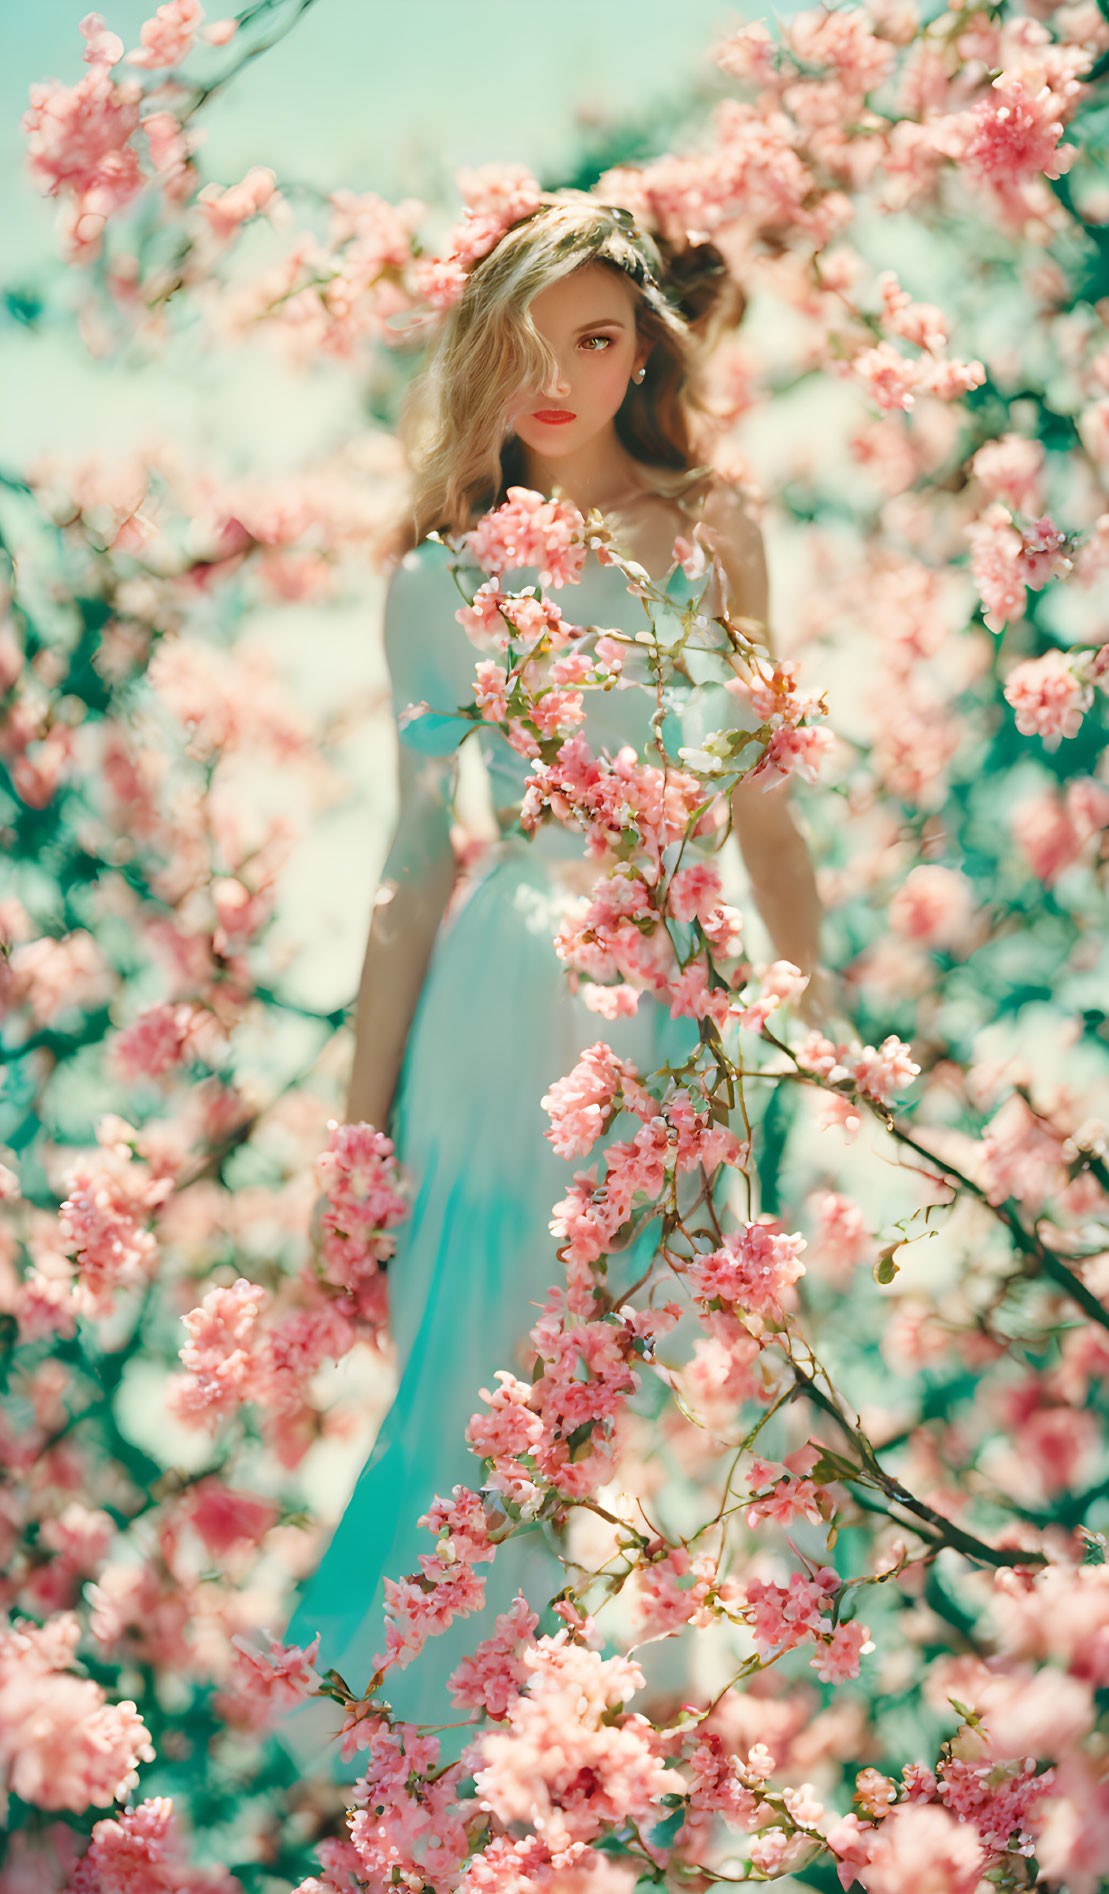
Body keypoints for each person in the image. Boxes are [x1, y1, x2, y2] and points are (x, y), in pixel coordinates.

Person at [282, 191, 834, 1772]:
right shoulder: (436, 577)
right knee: (481, 1371)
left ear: (640, 348)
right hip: (499, 995)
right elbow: (412, 861)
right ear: (474, 347)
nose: (559, 375)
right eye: (525, 340)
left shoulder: (711, 527)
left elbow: (763, 799)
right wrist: (355, 1135)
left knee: (659, 1364)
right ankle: (447, 1771)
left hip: (675, 986)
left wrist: (823, 1022)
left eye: (595, 338)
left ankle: (633, 1764)